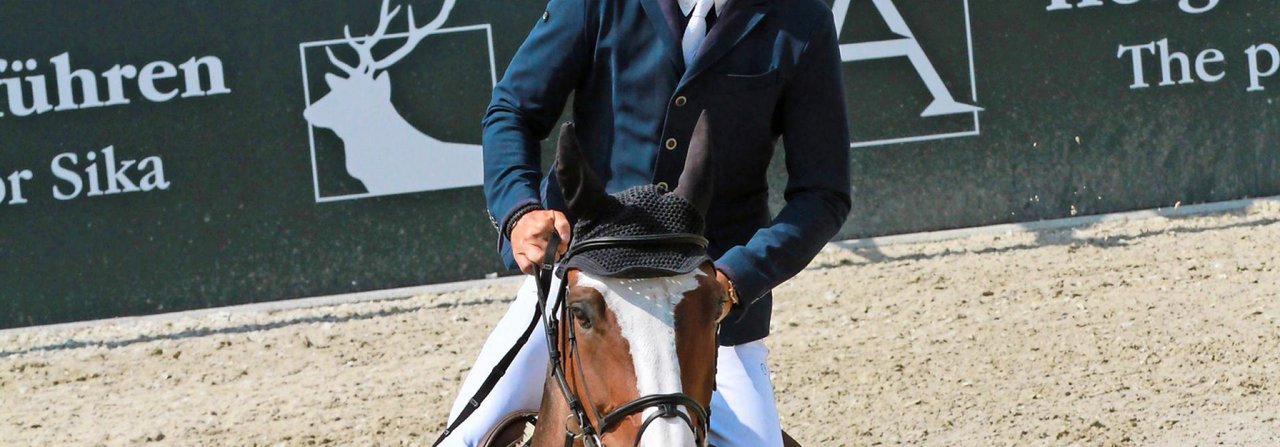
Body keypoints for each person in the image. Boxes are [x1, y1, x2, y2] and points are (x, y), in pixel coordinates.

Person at [439, 0, 850, 444]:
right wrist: (518, 212)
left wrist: (735, 280)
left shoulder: (802, 17)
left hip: (708, 301)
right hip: (585, 285)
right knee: (464, 438)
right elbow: (513, 111)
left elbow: (823, 192)